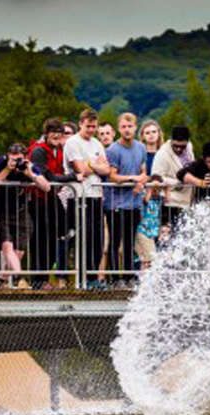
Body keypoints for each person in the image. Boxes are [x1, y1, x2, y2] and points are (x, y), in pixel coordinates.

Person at [0, 142, 51, 288]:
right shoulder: (1, 162)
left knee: (18, 251)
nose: (16, 162)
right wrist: (7, 170)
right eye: (13, 158)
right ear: (8, 155)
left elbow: (46, 187)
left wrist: (31, 175)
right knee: (7, 247)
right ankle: (18, 277)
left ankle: (3, 279)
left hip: (19, 211)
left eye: (19, 158)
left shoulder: (28, 165)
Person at [28, 117, 80, 287]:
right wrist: (72, 177)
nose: (58, 138)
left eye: (60, 134)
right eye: (54, 135)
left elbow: (56, 175)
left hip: (51, 198)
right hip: (38, 199)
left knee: (58, 235)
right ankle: (38, 280)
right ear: (47, 134)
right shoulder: (39, 151)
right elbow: (47, 176)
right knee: (40, 240)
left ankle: (45, 277)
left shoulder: (59, 149)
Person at [63, 109, 111, 287]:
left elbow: (107, 169)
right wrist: (94, 164)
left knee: (98, 239)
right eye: (88, 126)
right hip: (79, 195)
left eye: (94, 127)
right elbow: (80, 169)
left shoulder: (97, 143)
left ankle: (93, 277)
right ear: (81, 123)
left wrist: (90, 164)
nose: (91, 130)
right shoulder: (72, 142)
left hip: (96, 195)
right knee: (84, 237)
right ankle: (83, 278)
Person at [104, 113, 148, 283]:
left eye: (130, 127)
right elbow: (112, 176)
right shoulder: (114, 150)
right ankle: (115, 278)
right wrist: (133, 180)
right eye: (123, 127)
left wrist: (141, 180)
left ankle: (129, 276)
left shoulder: (141, 148)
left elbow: (144, 171)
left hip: (134, 203)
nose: (127, 130)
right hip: (116, 203)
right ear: (118, 129)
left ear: (135, 127)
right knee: (115, 242)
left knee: (130, 242)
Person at [150, 125, 195, 241]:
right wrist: (179, 182)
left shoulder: (190, 147)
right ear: (171, 140)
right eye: (176, 146)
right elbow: (156, 177)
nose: (179, 149)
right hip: (169, 203)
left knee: (184, 239)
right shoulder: (162, 155)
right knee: (167, 240)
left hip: (186, 202)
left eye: (182, 146)